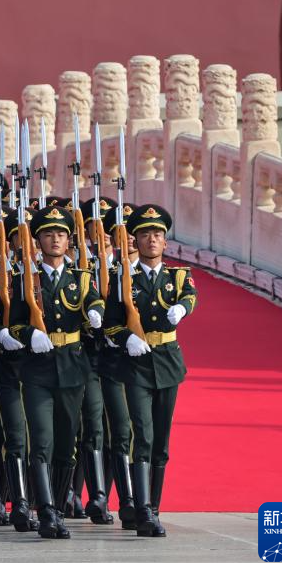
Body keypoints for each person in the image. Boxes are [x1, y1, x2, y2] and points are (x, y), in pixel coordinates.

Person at [7, 204, 104, 539]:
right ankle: (46, 510)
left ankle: (59, 507)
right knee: (42, 440)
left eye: (61, 234)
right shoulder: (25, 280)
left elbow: (94, 301)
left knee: (66, 444)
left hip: (72, 367)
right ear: (38, 241)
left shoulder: (81, 278)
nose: (55, 239)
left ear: (69, 240)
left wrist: (96, 312)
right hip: (38, 370)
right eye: (48, 234)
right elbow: (14, 324)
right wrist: (29, 335)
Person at [104, 204, 197, 538]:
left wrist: (182, 308)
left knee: (161, 440)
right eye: (145, 234)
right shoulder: (122, 279)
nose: (152, 239)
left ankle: (154, 508)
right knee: (141, 434)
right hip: (137, 365)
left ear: (165, 242)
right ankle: (142, 509)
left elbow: (191, 296)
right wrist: (127, 338)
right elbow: (111, 323)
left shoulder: (178, 276)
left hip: (168, 362)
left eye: (157, 234)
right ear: (136, 240)